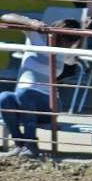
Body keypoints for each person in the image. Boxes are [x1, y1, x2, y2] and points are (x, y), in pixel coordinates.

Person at [0, 14, 80, 159]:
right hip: (24, 100)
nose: (67, 44)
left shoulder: (66, 51)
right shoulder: (36, 35)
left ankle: (31, 145)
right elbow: (6, 17)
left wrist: (83, 32)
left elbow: (74, 58)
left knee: (25, 94)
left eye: (71, 41)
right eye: (66, 39)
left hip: (48, 103)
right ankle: (19, 144)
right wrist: (30, 22)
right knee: (4, 97)